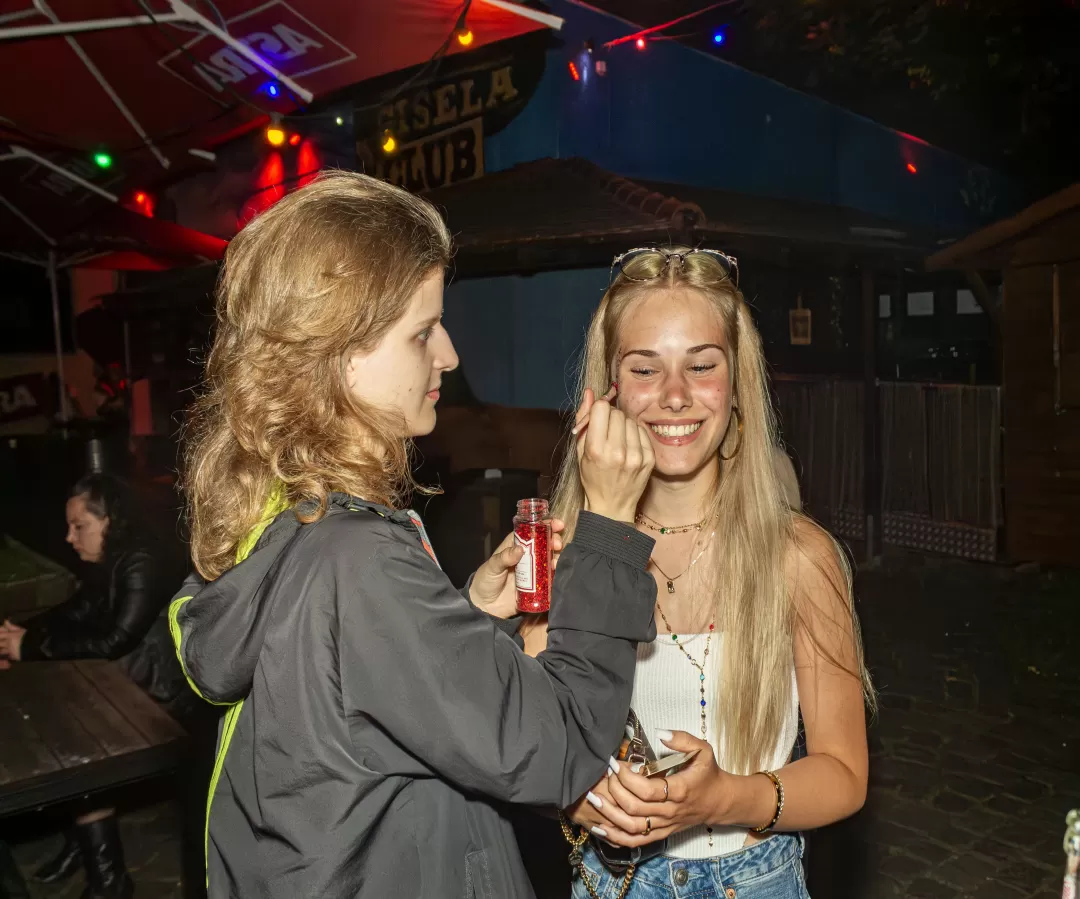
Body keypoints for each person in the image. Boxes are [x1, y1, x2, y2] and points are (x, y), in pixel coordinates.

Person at [169, 171, 660, 899]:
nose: (449, 354)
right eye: (422, 331)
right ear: (338, 354)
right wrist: (611, 527)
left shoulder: (290, 522)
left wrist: (472, 611)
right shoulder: (357, 559)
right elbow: (563, 746)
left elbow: (359, 698)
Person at [525, 247, 874, 898]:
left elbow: (844, 773)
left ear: (737, 381)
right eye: (645, 367)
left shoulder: (799, 556)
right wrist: (582, 799)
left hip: (755, 879)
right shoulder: (560, 554)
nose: (676, 395)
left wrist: (724, 799)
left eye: (702, 364)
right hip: (612, 883)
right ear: (607, 390)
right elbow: (531, 755)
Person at [0, 473, 173, 899]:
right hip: (129, 678)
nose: (68, 537)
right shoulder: (111, 557)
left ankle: (108, 877)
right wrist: (20, 634)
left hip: (164, 696)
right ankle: (87, 845)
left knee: (75, 740)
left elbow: (116, 638)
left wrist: (30, 648)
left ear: (110, 521)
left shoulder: (142, 560)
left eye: (80, 527)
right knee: (59, 720)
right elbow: (76, 610)